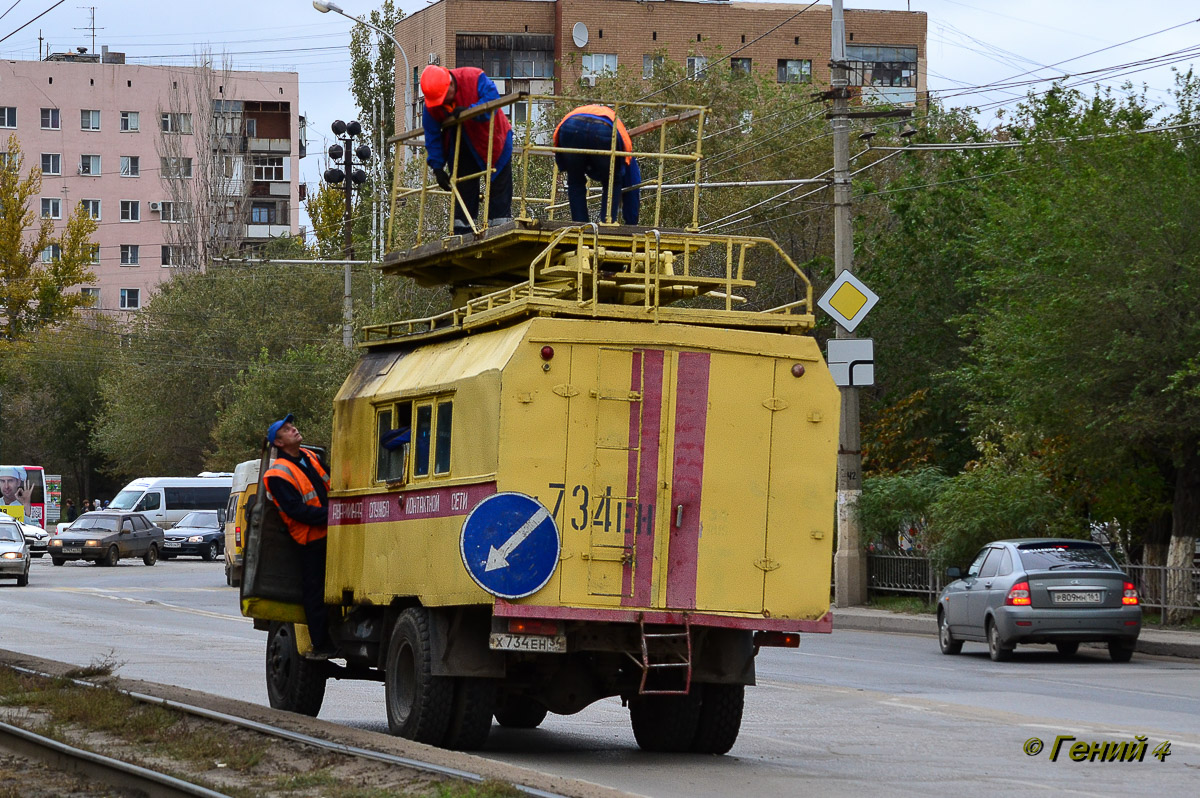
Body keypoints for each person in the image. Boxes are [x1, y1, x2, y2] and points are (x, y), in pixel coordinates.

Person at [263, 413, 335, 659]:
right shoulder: (276, 475)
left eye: (292, 425)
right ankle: (321, 643)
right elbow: (297, 511)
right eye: (286, 429)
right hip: (311, 539)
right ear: (279, 443)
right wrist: (333, 515)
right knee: (315, 591)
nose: (293, 429)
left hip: (334, 532)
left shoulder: (311, 457)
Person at [420, 64, 513, 234]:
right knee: (464, 187)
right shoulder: (432, 104)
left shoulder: (474, 77)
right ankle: (462, 233)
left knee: (499, 188)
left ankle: (499, 231)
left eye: (443, 98)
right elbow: (432, 135)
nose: (442, 103)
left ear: (451, 84)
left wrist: (470, 111)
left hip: (494, 139)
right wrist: (437, 167)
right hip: (462, 145)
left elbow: (492, 99)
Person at [553, 105, 641, 225]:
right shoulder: (627, 154)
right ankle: (607, 224)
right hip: (604, 128)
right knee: (612, 181)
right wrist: (631, 224)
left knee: (575, 181)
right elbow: (633, 186)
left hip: (570, 125)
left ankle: (580, 226)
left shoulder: (618, 132)